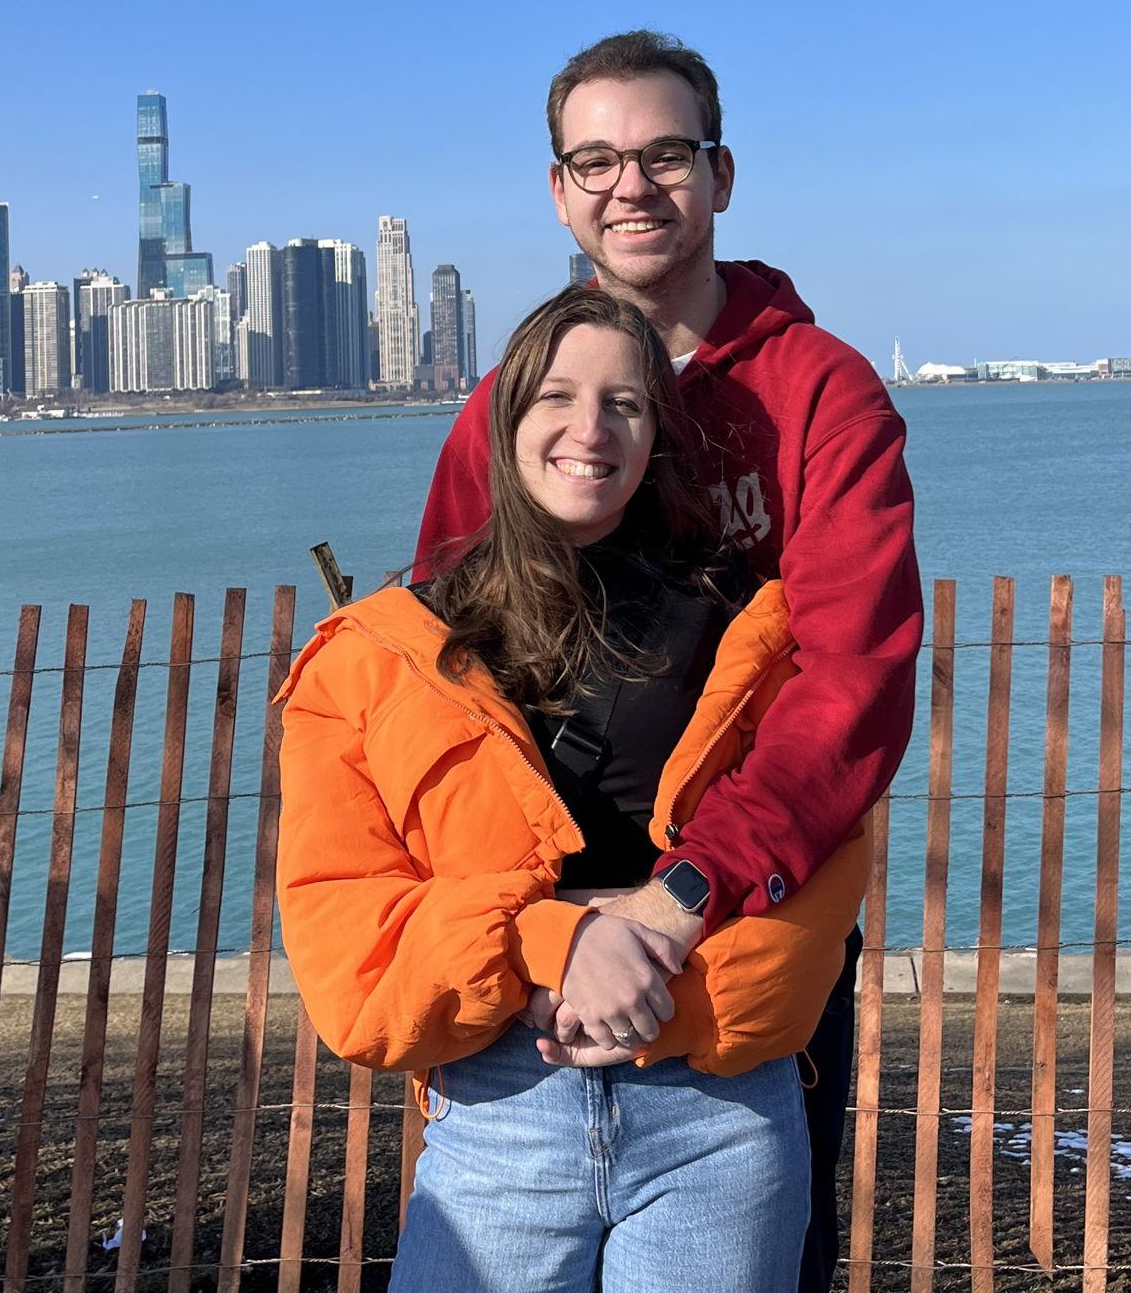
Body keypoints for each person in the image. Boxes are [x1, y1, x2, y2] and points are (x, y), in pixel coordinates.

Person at [416, 30, 924, 1293]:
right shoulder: (504, 409)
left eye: (662, 153)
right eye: (594, 158)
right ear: (556, 188)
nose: (628, 184)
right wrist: (526, 931)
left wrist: (685, 892)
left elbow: (851, 682)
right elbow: (442, 683)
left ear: (721, 171)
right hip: (529, 953)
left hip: (745, 924)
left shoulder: (819, 393)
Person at [277, 285, 870, 1291]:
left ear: (656, 436)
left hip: (716, 1122)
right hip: (497, 1115)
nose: (588, 428)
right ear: (503, 418)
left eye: (625, 403)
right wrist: (560, 940)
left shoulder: (742, 624)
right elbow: (346, 941)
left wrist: (644, 979)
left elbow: (822, 861)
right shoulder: (378, 655)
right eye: (556, 394)